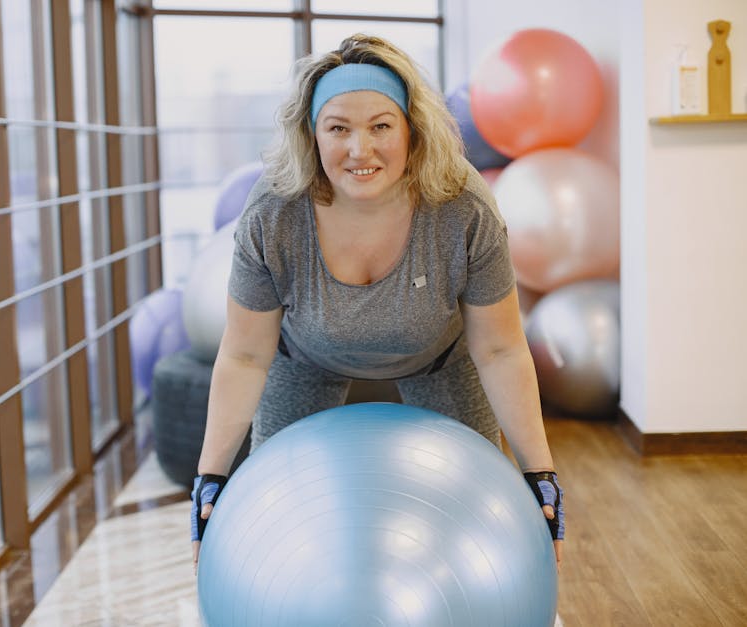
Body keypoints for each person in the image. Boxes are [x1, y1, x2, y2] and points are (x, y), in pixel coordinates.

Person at [190, 34, 564, 572]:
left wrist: (540, 476)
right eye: (338, 127)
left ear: (412, 131)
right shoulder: (275, 211)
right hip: (306, 360)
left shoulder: (462, 205)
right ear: (312, 135)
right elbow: (246, 354)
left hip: (440, 358)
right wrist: (211, 482)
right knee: (284, 518)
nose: (359, 150)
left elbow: (502, 349)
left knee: (470, 514)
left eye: (381, 126)